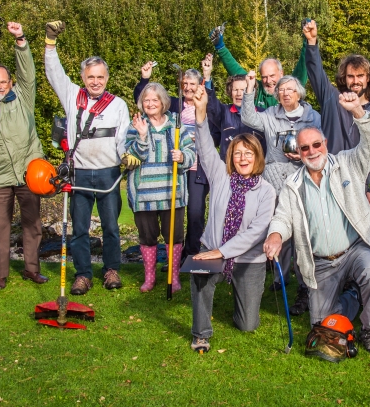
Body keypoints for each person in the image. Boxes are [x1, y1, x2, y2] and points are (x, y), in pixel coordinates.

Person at [263, 92, 370, 355]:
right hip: (320, 261)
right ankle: (353, 296)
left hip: (354, 249)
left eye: (316, 145)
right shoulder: (293, 184)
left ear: (325, 143)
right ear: (298, 152)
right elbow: (283, 217)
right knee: (321, 325)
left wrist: (358, 113)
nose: (311, 151)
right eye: (305, 148)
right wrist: (275, 235)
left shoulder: (347, 163)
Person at [43, 21, 130, 295]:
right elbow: (53, 73)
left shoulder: (118, 104)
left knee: (111, 227)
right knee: (79, 229)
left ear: (107, 78)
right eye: (91, 77)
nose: (96, 82)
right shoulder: (72, 96)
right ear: (83, 78)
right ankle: (82, 274)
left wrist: (126, 155)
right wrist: (50, 43)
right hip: (79, 173)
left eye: (100, 77)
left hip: (108, 173)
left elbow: (123, 137)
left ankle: (111, 269)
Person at [187, 87, 276, 353]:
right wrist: (201, 114)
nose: (243, 158)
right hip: (212, 249)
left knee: (248, 325)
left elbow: (257, 233)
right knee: (200, 276)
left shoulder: (266, 191)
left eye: (248, 153)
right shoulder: (220, 176)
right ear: (231, 157)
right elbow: (203, 146)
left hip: (248, 258)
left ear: (257, 157)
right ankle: (201, 333)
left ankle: (241, 304)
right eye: (237, 153)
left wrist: (223, 251)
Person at [0, 22, 47, 291]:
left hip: (30, 172)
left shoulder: (23, 98)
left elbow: (28, 72)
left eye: (4, 81)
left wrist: (21, 41)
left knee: (32, 225)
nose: (0, 86)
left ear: (10, 83)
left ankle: (31, 270)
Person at [240, 70, 321, 311]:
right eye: (281, 90)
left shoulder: (312, 117)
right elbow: (247, 118)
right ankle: (280, 278)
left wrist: (302, 157)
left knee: (303, 233)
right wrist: (249, 89)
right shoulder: (269, 115)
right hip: (275, 179)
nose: (285, 93)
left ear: (299, 94)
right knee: (279, 230)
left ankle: (306, 283)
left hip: (303, 178)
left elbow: (319, 147)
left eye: (290, 89)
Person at [303, 19, 370, 209]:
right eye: (351, 76)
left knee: (357, 235)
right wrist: (311, 42)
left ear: (368, 78)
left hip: (359, 183)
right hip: (328, 178)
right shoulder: (332, 99)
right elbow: (315, 72)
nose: (355, 81)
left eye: (360, 76)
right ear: (344, 78)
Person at [124, 82, 196, 294]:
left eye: (155, 99)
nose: (150, 103)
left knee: (174, 236)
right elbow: (133, 158)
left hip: (171, 190)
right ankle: (150, 277)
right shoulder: (135, 125)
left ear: (163, 102)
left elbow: (191, 152)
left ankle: (173, 277)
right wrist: (143, 136)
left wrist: (182, 156)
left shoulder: (176, 124)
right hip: (144, 192)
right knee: (147, 237)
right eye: (146, 100)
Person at [136, 62, 210, 259]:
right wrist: (145, 79)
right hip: (173, 167)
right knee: (175, 214)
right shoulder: (175, 106)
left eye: (192, 84)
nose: (188, 87)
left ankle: (191, 252)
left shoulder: (206, 105)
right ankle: (174, 258)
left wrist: (208, 76)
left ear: (199, 85)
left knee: (194, 212)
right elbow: (146, 102)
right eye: (184, 83)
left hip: (196, 166)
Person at [209, 24, 308, 108]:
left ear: (281, 74)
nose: (268, 81)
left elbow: (303, 67)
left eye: (272, 76)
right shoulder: (257, 90)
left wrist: (308, 41)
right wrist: (220, 47)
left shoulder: (290, 89)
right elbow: (235, 70)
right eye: (264, 77)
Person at [200, 53, 268, 159]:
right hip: (228, 169)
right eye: (235, 90)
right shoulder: (224, 112)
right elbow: (211, 105)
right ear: (230, 92)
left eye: (243, 90)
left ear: (250, 91)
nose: (239, 94)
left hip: (254, 170)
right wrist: (207, 76)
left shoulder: (263, 114)